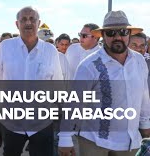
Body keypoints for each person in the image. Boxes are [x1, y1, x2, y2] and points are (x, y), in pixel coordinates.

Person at [58, 10, 150, 156]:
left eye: (123, 32)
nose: (117, 37)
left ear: (129, 34)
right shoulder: (89, 65)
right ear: (103, 35)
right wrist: (64, 138)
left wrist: (145, 125)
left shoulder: (139, 61)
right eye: (111, 33)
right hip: (94, 141)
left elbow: (143, 95)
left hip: (129, 142)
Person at [0, 6, 63, 156]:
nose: (28, 23)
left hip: (42, 123)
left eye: (32, 19)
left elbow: (58, 84)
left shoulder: (50, 50)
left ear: (39, 23)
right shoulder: (5, 47)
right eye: (23, 19)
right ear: (17, 24)